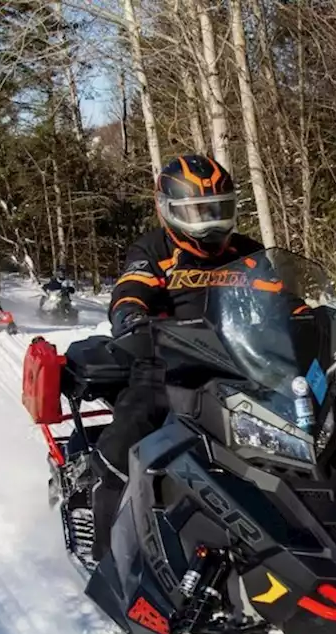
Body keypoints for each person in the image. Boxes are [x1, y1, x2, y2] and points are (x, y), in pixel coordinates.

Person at [88, 153, 284, 561]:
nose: (211, 224)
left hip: (242, 367)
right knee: (129, 436)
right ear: (169, 211)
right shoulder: (153, 249)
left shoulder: (248, 253)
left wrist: (309, 317)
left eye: (218, 211)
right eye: (199, 213)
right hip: (169, 368)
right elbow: (131, 287)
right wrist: (130, 314)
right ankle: (109, 557)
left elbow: (282, 299)